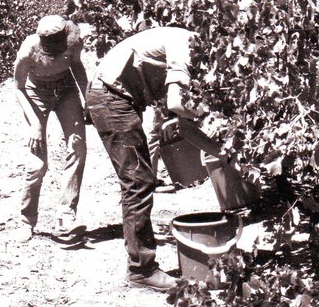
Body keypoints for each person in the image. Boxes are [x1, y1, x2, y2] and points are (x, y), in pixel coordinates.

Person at [86, 27, 221, 291]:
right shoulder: (186, 46)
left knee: (139, 180)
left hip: (118, 96)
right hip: (110, 96)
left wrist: (224, 154)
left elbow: (185, 128)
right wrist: (208, 115)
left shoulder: (196, 54)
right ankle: (141, 270)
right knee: (138, 181)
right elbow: (177, 104)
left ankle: (141, 265)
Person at [12, 15, 89, 242]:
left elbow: (77, 68)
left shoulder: (74, 41)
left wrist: (88, 102)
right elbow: (18, 87)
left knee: (78, 148)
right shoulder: (28, 50)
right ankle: (26, 220)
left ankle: (65, 215)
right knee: (37, 162)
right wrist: (35, 124)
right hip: (37, 93)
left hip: (66, 90)